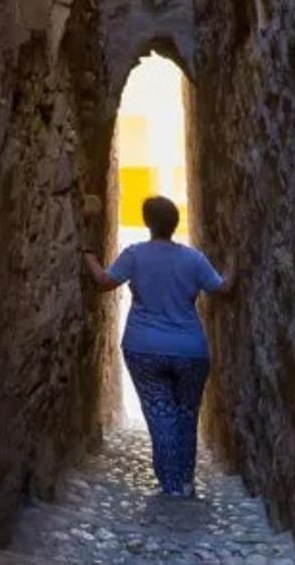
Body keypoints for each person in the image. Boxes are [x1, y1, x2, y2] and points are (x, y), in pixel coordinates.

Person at [82, 196, 235, 499]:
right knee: (187, 414)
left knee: (160, 413)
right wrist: (233, 263)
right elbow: (223, 288)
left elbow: (103, 281)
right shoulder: (194, 259)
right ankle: (186, 480)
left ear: (147, 223)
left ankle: (171, 484)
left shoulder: (135, 256)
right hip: (190, 349)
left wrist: (88, 254)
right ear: (175, 223)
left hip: (144, 348)